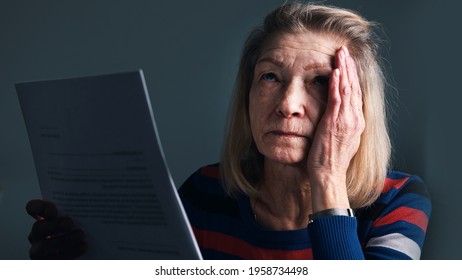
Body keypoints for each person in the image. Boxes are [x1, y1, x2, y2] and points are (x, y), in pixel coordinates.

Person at [26, 2, 431, 260]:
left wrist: (327, 177)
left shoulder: (399, 203)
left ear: (356, 106)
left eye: (321, 82)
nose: (288, 105)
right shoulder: (205, 193)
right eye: (271, 76)